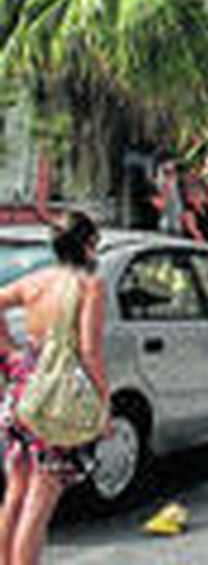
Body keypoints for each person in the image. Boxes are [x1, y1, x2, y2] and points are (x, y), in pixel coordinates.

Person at [0, 212, 108, 565]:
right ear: (88, 246)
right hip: (57, 399)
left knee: (15, 492)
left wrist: (10, 351)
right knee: (40, 500)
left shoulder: (35, 282)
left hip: (22, 389)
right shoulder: (90, 287)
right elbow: (90, 351)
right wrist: (103, 404)